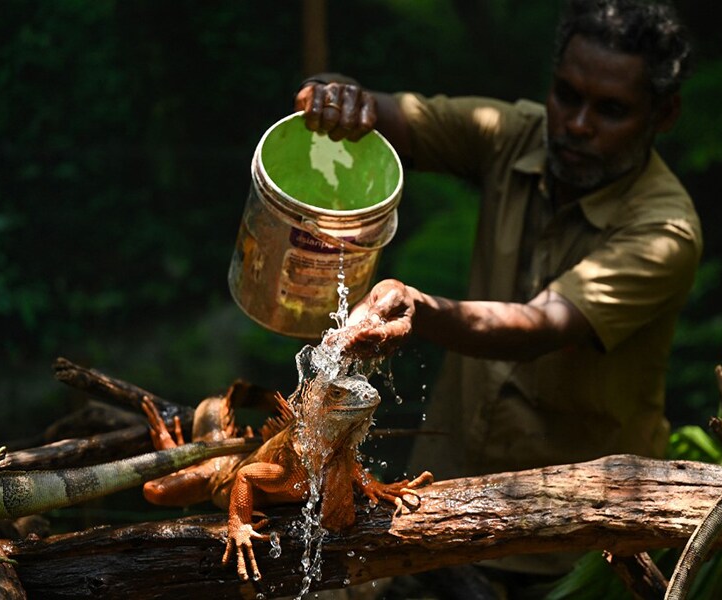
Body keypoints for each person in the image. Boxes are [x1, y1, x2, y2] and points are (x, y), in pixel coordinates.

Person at [294, 0, 701, 595]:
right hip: (438, 506)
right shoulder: (514, 134)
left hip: (573, 544)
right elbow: (391, 116)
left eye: (610, 109)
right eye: (567, 95)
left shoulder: (665, 230)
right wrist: (340, 96)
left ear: (663, 114)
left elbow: (538, 325)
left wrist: (421, 310)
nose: (578, 123)